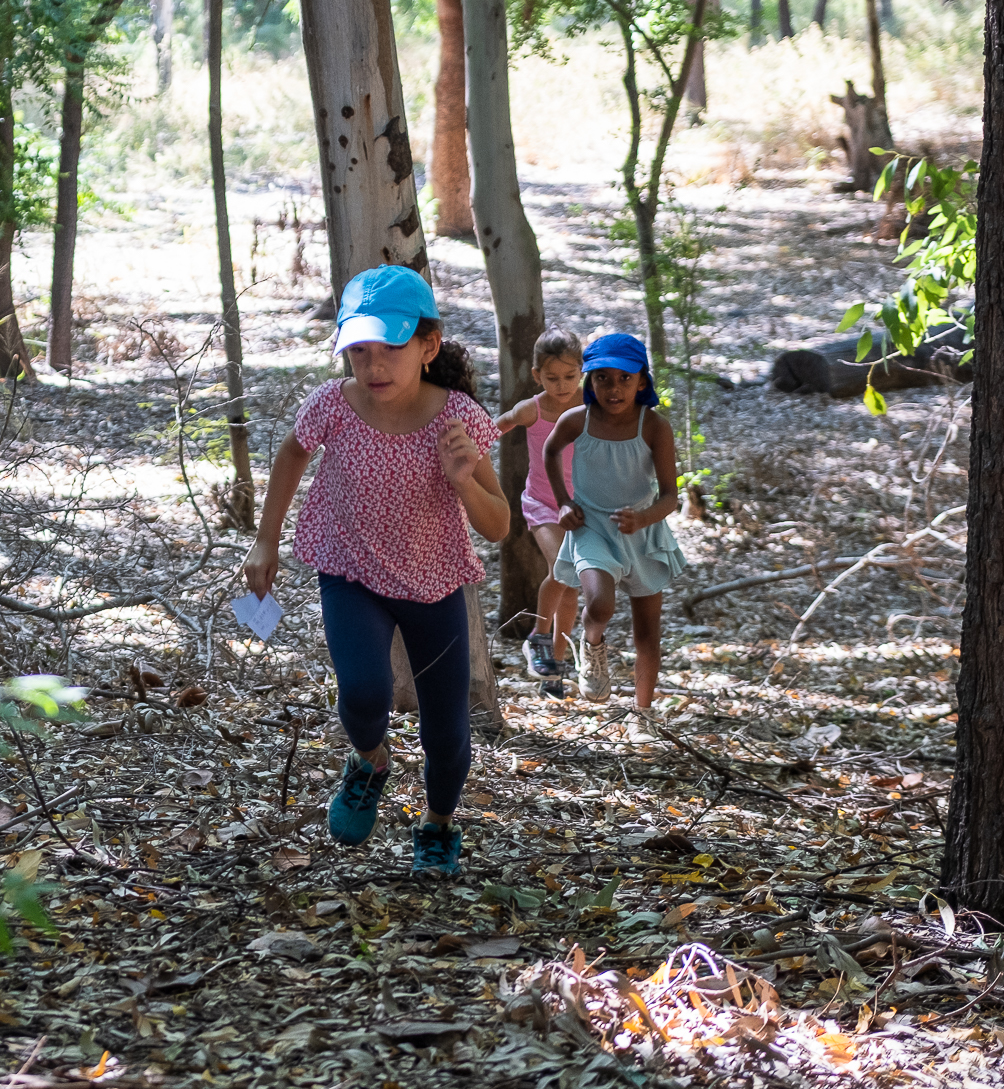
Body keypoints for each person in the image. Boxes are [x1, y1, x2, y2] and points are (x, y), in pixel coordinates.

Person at [243, 266, 508, 876]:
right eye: (359, 350)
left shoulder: (457, 417)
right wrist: (265, 541)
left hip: (434, 583)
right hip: (348, 569)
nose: (374, 365)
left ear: (428, 345)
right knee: (363, 693)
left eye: (391, 348)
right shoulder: (333, 404)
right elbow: (291, 454)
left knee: (447, 737)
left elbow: (499, 527)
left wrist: (464, 482)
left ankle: (438, 826)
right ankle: (370, 762)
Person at [542, 333, 685, 713]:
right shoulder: (578, 420)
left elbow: (671, 496)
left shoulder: (654, 426)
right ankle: (592, 646)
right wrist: (562, 503)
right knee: (600, 605)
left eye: (624, 377)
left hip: (644, 533)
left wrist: (644, 518)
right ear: (589, 380)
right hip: (591, 528)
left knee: (647, 635)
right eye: (602, 377)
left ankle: (643, 713)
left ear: (642, 381)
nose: (613, 387)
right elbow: (550, 450)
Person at [492, 326, 585, 695]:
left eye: (569, 376)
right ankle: (538, 635)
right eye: (551, 378)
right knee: (562, 567)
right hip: (543, 504)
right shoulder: (532, 408)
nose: (561, 385)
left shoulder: (589, 403)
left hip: (583, 506)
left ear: (581, 371)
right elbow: (497, 426)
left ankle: (555, 670)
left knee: (574, 587)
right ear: (536, 375)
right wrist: (464, 447)